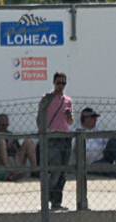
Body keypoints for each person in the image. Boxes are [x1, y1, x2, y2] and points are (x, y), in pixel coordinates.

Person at [40, 71, 74, 210]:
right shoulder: (46, 99)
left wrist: (68, 115)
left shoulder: (68, 100)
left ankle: (56, 202)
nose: (61, 86)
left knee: (63, 173)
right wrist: (42, 133)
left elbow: (70, 122)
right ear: (54, 83)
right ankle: (46, 196)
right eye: (59, 83)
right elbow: (40, 117)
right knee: (56, 171)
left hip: (65, 137)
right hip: (52, 137)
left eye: (63, 83)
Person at [73, 107, 116, 180]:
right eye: (93, 117)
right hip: (89, 164)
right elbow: (70, 149)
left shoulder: (98, 129)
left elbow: (110, 143)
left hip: (104, 158)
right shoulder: (76, 132)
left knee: (114, 138)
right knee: (105, 167)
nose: (96, 119)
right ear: (86, 119)